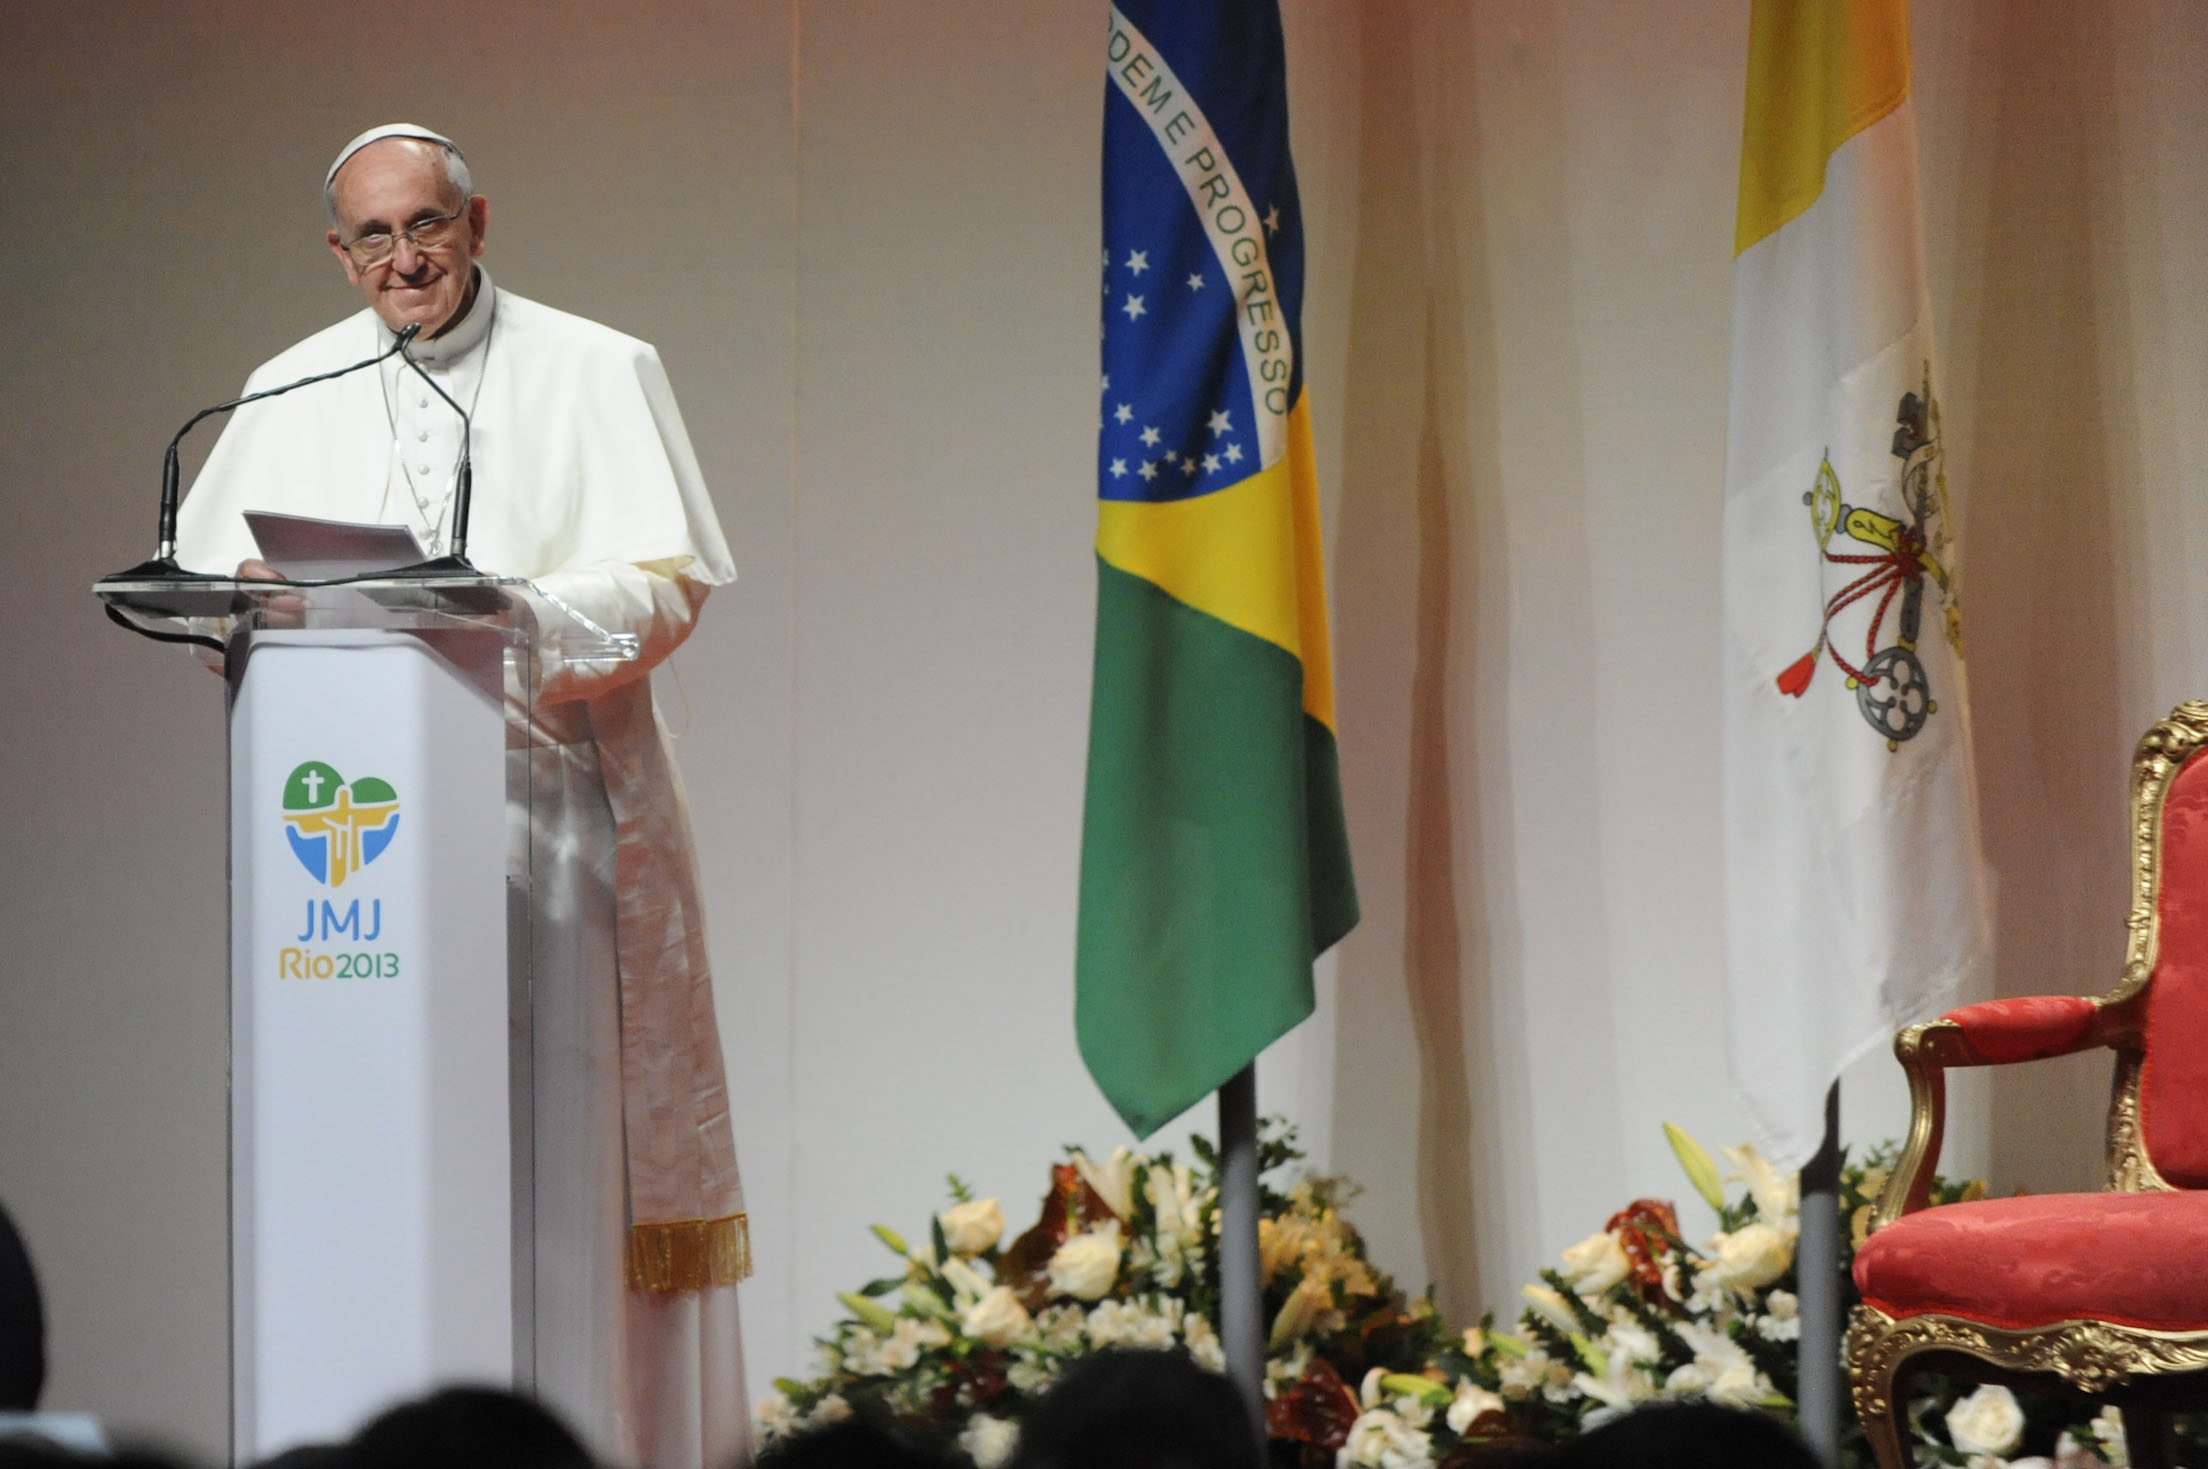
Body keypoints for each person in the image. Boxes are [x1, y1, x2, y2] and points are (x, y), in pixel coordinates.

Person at [174, 125, 748, 1469]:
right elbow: (211, 597)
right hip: (353, 864)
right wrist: (243, 615)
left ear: (479, 221)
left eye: (426, 224)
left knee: (557, 1179)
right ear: (338, 251)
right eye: (372, 237)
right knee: (372, 1189)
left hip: (549, 829)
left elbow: (670, 585)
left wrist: (510, 615)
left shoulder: (597, 367)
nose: (404, 257)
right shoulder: (280, 391)